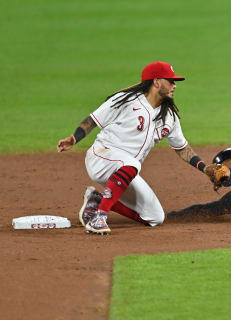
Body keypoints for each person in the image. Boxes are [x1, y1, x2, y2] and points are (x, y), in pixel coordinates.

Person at [57, 61, 215, 234]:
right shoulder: (126, 101)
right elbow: (93, 119)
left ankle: (96, 200)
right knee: (132, 164)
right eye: (170, 81)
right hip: (101, 157)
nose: (174, 85)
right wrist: (74, 138)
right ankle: (99, 217)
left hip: (125, 171)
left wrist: (205, 168)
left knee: (155, 217)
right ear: (156, 82)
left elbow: (181, 148)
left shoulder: (169, 115)